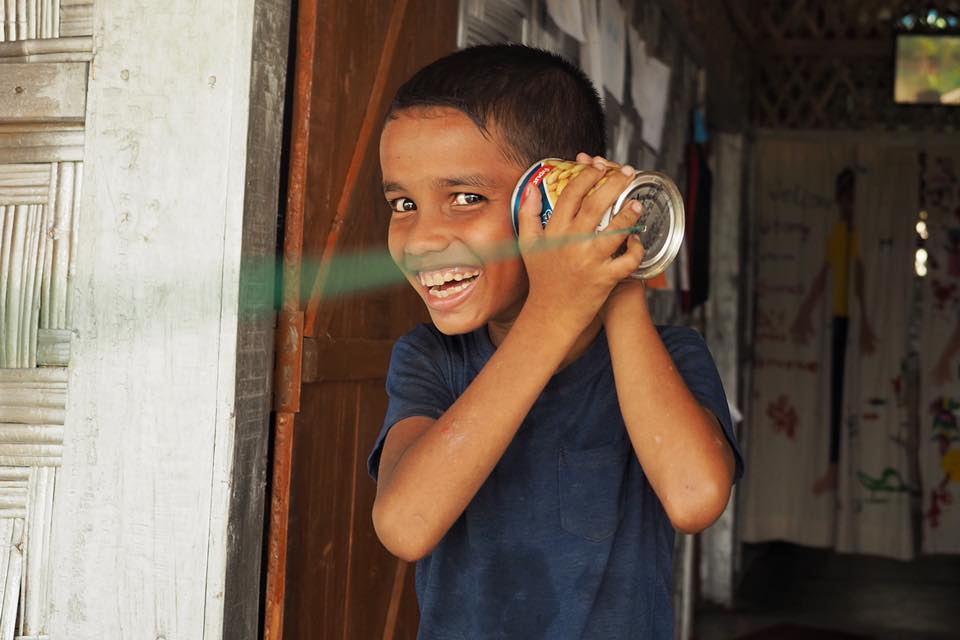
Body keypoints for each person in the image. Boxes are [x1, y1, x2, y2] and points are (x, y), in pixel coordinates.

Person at [366, 44, 743, 639]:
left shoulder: (670, 357)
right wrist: (553, 314)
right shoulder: (431, 360)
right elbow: (405, 526)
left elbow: (695, 498)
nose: (420, 240)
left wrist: (616, 267)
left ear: (553, 202)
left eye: (465, 198)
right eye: (403, 204)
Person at [790, 168, 877, 496]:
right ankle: (834, 470)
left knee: (847, 394)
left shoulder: (857, 234)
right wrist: (805, 312)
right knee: (835, 395)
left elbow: (859, 278)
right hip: (838, 322)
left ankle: (842, 470)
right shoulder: (840, 233)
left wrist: (865, 321)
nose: (848, 205)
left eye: (853, 199)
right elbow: (825, 275)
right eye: (845, 198)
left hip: (849, 323)